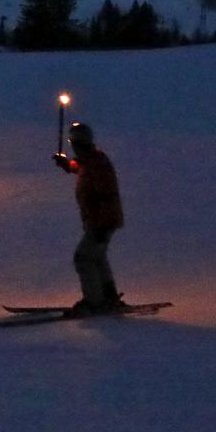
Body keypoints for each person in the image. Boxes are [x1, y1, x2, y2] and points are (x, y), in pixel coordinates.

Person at [52, 121, 123, 312]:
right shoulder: (90, 160)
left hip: (102, 222)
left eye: (73, 142)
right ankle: (108, 296)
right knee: (97, 257)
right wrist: (66, 164)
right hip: (100, 221)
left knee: (83, 258)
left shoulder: (97, 163)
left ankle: (94, 301)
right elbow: (79, 166)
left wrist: (102, 226)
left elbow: (106, 196)